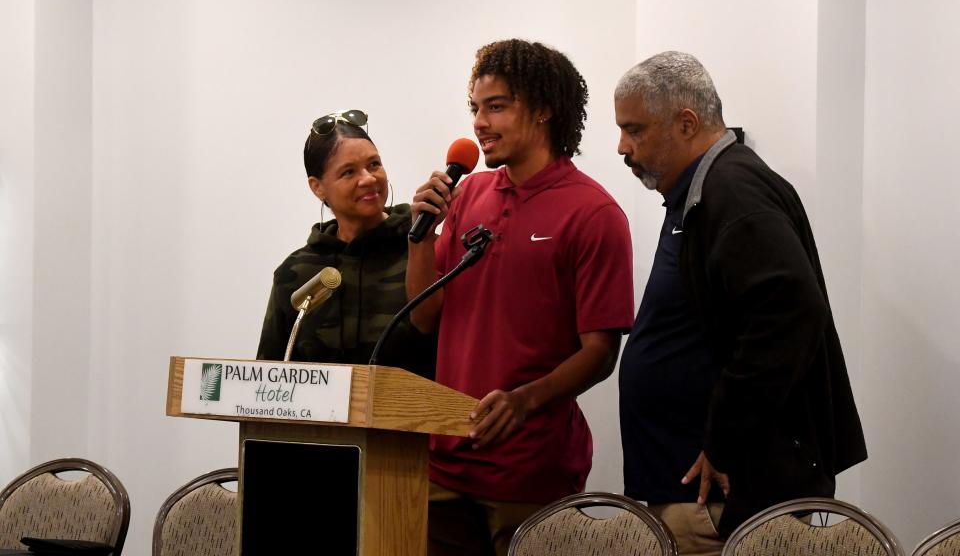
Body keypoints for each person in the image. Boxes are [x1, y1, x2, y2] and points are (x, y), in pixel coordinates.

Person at [615, 51, 867, 553]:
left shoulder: (732, 189)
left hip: (725, 504)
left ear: (686, 124)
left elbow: (791, 310)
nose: (622, 147)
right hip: (699, 498)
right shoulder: (705, 189)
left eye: (635, 129)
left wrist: (724, 437)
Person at [406, 39, 635, 556]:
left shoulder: (594, 214)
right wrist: (419, 239)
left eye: (497, 106)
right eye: (476, 108)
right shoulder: (468, 195)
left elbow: (600, 352)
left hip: (532, 476)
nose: (480, 123)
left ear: (544, 109)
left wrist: (523, 400)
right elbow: (424, 318)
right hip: (444, 466)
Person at [257, 109, 436, 378]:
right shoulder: (295, 274)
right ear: (318, 187)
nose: (368, 179)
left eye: (374, 164)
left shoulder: (423, 248)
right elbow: (266, 384)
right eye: (348, 172)